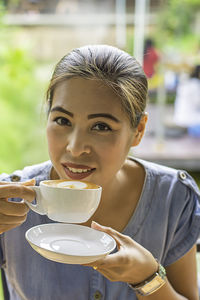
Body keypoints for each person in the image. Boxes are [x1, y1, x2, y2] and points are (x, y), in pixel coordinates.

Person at [0, 45, 200, 300]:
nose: (75, 148)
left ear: (138, 130)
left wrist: (148, 278)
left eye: (101, 126)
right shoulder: (7, 201)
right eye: (62, 120)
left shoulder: (174, 198)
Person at [173, 65, 200, 137]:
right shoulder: (196, 84)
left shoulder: (187, 83)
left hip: (179, 117)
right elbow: (198, 102)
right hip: (190, 119)